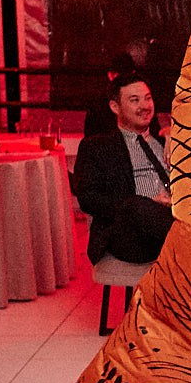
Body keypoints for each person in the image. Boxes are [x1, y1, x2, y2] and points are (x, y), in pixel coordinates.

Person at [72, 68, 173, 265]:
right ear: (115, 107)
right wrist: (147, 203)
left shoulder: (164, 142)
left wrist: (176, 135)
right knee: (139, 206)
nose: (144, 106)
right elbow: (88, 199)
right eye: (135, 100)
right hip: (129, 234)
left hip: (168, 226)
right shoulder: (97, 147)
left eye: (147, 98)